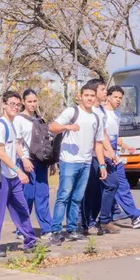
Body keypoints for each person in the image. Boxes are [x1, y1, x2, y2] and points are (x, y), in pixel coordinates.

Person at [48, 82, 107, 244]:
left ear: (95, 97)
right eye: (86, 95)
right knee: (64, 196)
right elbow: (52, 127)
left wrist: (102, 165)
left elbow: (98, 143)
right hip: (69, 161)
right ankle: (55, 231)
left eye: (92, 95)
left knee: (77, 198)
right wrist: (67, 127)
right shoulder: (71, 111)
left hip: (86, 162)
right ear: (80, 96)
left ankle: (72, 229)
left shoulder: (96, 116)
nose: (89, 98)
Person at [0, 91, 38, 257]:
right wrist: (18, 170)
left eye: (17, 104)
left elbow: (14, 149)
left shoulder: (12, 124)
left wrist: (23, 161)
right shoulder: (0, 125)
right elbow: (1, 153)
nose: (15, 107)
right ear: (4, 104)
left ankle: (30, 241)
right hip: (0, 174)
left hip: (12, 175)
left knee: (21, 208)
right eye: (11, 104)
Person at [99, 86, 140, 232]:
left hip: (114, 150)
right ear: (108, 97)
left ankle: (113, 216)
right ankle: (135, 216)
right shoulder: (102, 113)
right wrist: (108, 153)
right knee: (119, 185)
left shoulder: (117, 114)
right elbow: (101, 137)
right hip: (105, 153)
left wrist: (125, 145)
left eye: (120, 98)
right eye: (115, 97)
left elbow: (113, 136)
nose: (118, 100)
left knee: (117, 185)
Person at [14, 89, 53, 236]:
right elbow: (16, 143)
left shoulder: (40, 119)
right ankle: (22, 228)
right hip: (27, 162)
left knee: (42, 196)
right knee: (27, 196)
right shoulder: (19, 120)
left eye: (35, 101)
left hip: (41, 163)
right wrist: (23, 159)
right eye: (29, 101)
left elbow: (46, 143)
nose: (32, 104)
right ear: (23, 102)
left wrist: (52, 163)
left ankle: (47, 229)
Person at [80, 80, 110, 235]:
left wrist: (105, 159)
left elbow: (100, 139)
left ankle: (96, 219)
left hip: (97, 158)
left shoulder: (100, 112)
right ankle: (86, 223)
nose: (105, 92)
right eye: (102, 90)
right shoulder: (80, 112)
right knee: (87, 192)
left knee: (100, 190)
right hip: (85, 158)